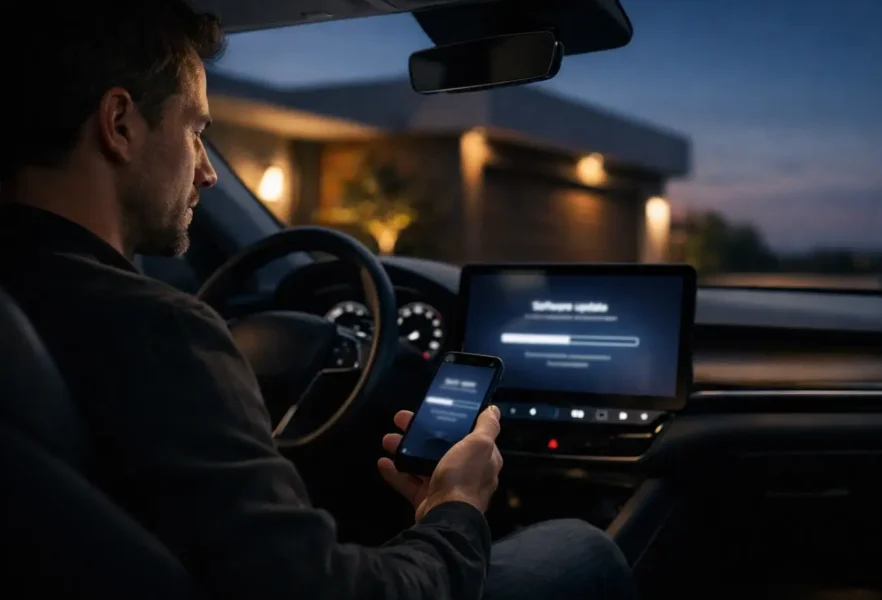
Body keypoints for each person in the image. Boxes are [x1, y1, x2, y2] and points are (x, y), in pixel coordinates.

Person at [0, 1, 637, 599]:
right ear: (119, 125)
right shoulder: (159, 329)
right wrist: (456, 511)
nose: (208, 170)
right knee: (587, 547)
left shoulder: (29, 300)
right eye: (197, 131)